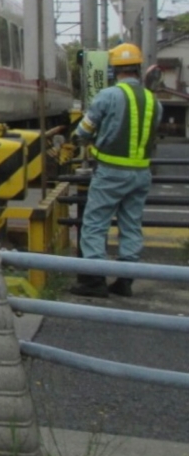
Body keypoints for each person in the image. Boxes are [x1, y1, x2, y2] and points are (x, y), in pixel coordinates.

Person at [70, 42, 163, 298]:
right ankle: (125, 281)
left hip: (111, 172)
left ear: (115, 70)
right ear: (138, 68)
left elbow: (83, 131)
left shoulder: (108, 96)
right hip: (141, 174)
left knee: (95, 224)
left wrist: (83, 139)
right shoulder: (154, 102)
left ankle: (94, 282)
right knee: (131, 224)